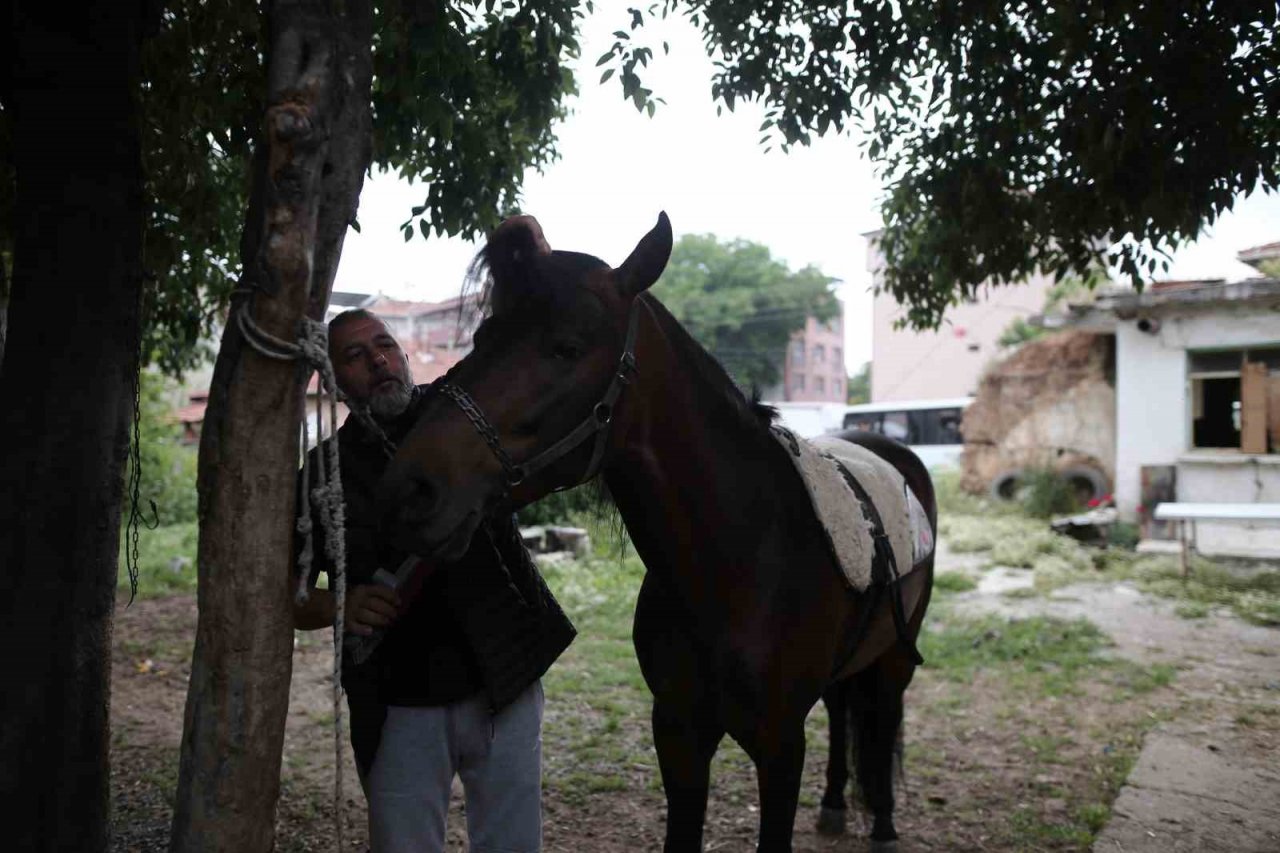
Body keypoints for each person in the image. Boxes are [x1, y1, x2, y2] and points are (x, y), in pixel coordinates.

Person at [293, 304, 575, 853]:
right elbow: (285, 594)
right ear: (331, 380)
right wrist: (339, 605)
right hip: (396, 699)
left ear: (403, 353)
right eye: (354, 355)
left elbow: (520, 348)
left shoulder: (468, 412)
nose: (377, 361)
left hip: (505, 675)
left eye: (384, 345)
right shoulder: (324, 473)